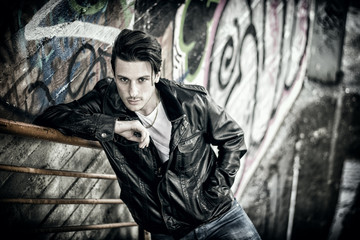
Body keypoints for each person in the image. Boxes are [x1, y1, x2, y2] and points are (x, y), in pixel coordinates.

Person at [34, 28, 261, 240]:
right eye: (124, 80)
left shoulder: (191, 102)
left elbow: (233, 138)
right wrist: (114, 126)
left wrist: (215, 190)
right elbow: (51, 116)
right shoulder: (107, 102)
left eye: (142, 80)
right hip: (168, 233)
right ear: (115, 74)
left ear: (156, 75)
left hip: (221, 218)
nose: (133, 92)